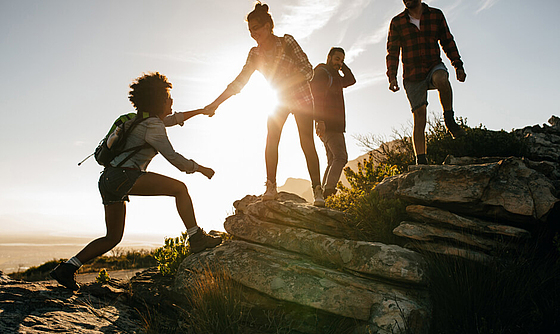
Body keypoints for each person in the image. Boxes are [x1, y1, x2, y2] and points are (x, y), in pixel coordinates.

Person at [50, 72, 222, 291]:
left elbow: (172, 119)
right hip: (125, 176)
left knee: (112, 237)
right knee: (180, 188)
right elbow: (173, 157)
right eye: (169, 99)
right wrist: (200, 169)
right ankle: (196, 238)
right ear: (159, 101)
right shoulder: (153, 126)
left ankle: (67, 268)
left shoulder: (136, 119)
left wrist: (200, 111)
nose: (172, 102)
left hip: (108, 179)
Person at [204, 2, 325, 207]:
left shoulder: (287, 42)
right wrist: (216, 103)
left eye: (257, 28)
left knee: (306, 142)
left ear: (269, 25)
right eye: (250, 30)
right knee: (272, 139)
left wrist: (287, 82)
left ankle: (317, 190)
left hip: (301, 97)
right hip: (278, 100)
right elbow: (239, 81)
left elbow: (308, 69)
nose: (253, 33)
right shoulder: (255, 54)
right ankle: (271, 186)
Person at [386, 0, 466, 165]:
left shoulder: (435, 15)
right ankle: (421, 160)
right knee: (420, 116)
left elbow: (447, 41)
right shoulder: (397, 22)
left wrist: (457, 64)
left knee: (441, 79)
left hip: (433, 65)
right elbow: (392, 52)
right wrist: (392, 76)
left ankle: (449, 120)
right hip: (412, 75)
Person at [311, 47, 356, 198]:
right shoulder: (323, 72)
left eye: (342, 60)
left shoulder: (335, 76)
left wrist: (342, 66)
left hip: (333, 124)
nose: (339, 63)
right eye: (337, 59)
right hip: (328, 123)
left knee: (332, 160)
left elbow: (351, 80)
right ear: (329, 57)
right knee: (341, 157)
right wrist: (320, 120)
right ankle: (328, 191)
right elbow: (317, 97)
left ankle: (323, 193)